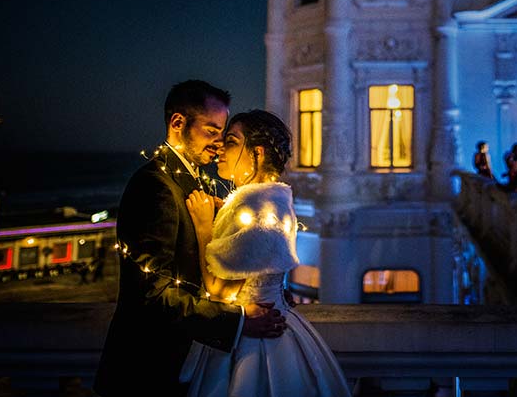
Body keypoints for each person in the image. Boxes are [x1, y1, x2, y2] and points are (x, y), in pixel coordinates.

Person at [94, 81, 286, 397]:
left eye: (223, 135)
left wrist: (266, 284)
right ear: (178, 123)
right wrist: (238, 321)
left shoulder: (194, 182)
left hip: (185, 364)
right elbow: (153, 295)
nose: (219, 144)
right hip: (148, 370)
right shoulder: (155, 186)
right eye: (211, 131)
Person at [180, 109, 350, 396]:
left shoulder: (253, 207)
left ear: (256, 153)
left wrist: (202, 227)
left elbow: (218, 288)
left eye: (232, 141)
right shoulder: (277, 201)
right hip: (280, 328)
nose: (221, 148)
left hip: (250, 341)